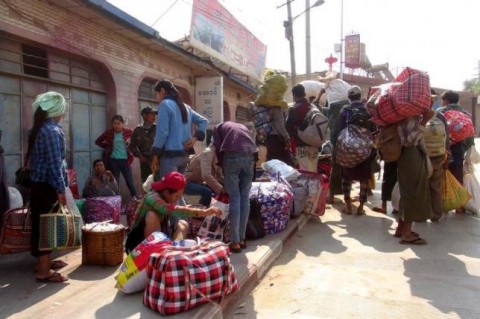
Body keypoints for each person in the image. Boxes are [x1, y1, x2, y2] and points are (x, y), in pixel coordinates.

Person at [125, 172, 222, 253]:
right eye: (177, 196)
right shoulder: (152, 198)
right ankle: (157, 255)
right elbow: (175, 210)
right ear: (167, 192)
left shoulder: (166, 195)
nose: (179, 198)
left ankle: (172, 253)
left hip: (162, 236)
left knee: (183, 224)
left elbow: (181, 210)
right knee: (152, 216)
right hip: (139, 246)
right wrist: (204, 212)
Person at [28, 91, 69, 283]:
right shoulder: (53, 131)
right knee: (47, 227)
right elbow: (55, 165)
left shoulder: (39, 129)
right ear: (58, 110)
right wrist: (61, 190)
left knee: (42, 224)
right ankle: (43, 271)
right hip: (47, 187)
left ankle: (43, 262)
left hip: (39, 185)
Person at [212, 121, 257, 253]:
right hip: (249, 156)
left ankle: (235, 241)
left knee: (235, 198)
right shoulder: (242, 126)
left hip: (232, 157)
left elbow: (218, 147)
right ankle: (242, 239)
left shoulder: (217, 127)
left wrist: (222, 165)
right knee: (245, 198)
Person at [150, 80, 208, 181]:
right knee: (178, 190)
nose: (156, 97)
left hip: (170, 156)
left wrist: (155, 154)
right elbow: (204, 121)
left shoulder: (165, 104)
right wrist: (194, 138)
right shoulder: (186, 107)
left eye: (156, 94)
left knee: (170, 190)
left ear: (162, 91)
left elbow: (162, 132)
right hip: (184, 156)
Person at [394, 110, 434, 245]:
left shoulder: (408, 113)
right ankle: (406, 233)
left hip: (410, 155)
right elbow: (408, 141)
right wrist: (424, 121)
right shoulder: (407, 115)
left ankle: (401, 228)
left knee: (406, 191)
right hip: (410, 154)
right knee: (413, 191)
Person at [337, 86, 376, 216]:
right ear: (360, 96)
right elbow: (374, 130)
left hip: (348, 148)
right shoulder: (368, 110)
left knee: (346, 177)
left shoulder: (344, 110)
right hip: (365, 150)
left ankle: (348, 205)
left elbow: (340, 129)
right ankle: (360, 207)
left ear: (349, 97)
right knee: (364, 177)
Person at [437, 90, 475, 214]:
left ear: (446, 101)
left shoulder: (440, 112)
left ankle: (443, 203)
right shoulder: (466, 114)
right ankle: (459, 205)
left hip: (443, 148)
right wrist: (467, 149)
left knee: (442, 175)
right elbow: (470, 135)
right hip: (459, 148)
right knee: (458, 175)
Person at [95, 115, 137, 198]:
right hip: (114, 161)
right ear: (112, 124)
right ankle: (116, 201)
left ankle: (135, 198)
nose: (116, 125)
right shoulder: (109, 133)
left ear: (122, 124)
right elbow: (98, 141)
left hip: (126, 161)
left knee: (129, 181)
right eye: (114, 123)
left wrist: (131, 147)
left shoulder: (129, 132)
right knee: (115, 182)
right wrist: (107, 147)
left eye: (119, 123)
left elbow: (134, 143)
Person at [286, 83, 318, 172]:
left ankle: (306, 186)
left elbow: (288, 127)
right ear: (304, 93)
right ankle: (314, 186)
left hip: (301, 145)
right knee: (313, 170)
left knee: (304, 170)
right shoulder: (314, 107)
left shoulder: (294, 109)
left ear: (294, 95)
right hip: (315, 144)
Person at [184, 142, 224, 207]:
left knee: (214, 192)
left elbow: (219, 176)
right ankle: (199, 214)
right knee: (207, 192)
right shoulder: (208, 153)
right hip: (187, 182)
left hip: (198, 183)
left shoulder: (218, 155)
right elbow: (206, 175)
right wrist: (222, 190)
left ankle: (210, 213)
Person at [129, 106, 157, 182]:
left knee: (157, 181)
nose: (154, 116)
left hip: (156, 159)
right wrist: (140, 156)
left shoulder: (158, 128)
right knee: (146, 182)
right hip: (144, 161)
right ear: (144, 115)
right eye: (151, 114)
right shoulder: (138, 130)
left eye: (155, 114)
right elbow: (132, 146)